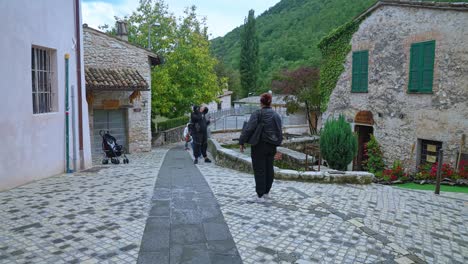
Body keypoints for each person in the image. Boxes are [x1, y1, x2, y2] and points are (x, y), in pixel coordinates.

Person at [239, 93, 282, 203]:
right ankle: (266, 192)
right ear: (270, 102)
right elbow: (279, 131)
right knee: (269, 168)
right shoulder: (276, 115)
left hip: (259, 145)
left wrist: (242, 141)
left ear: (261, 102)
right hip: (272, 145)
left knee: (259, 169)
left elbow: (249, 128)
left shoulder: (257, 113)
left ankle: (260, 195)